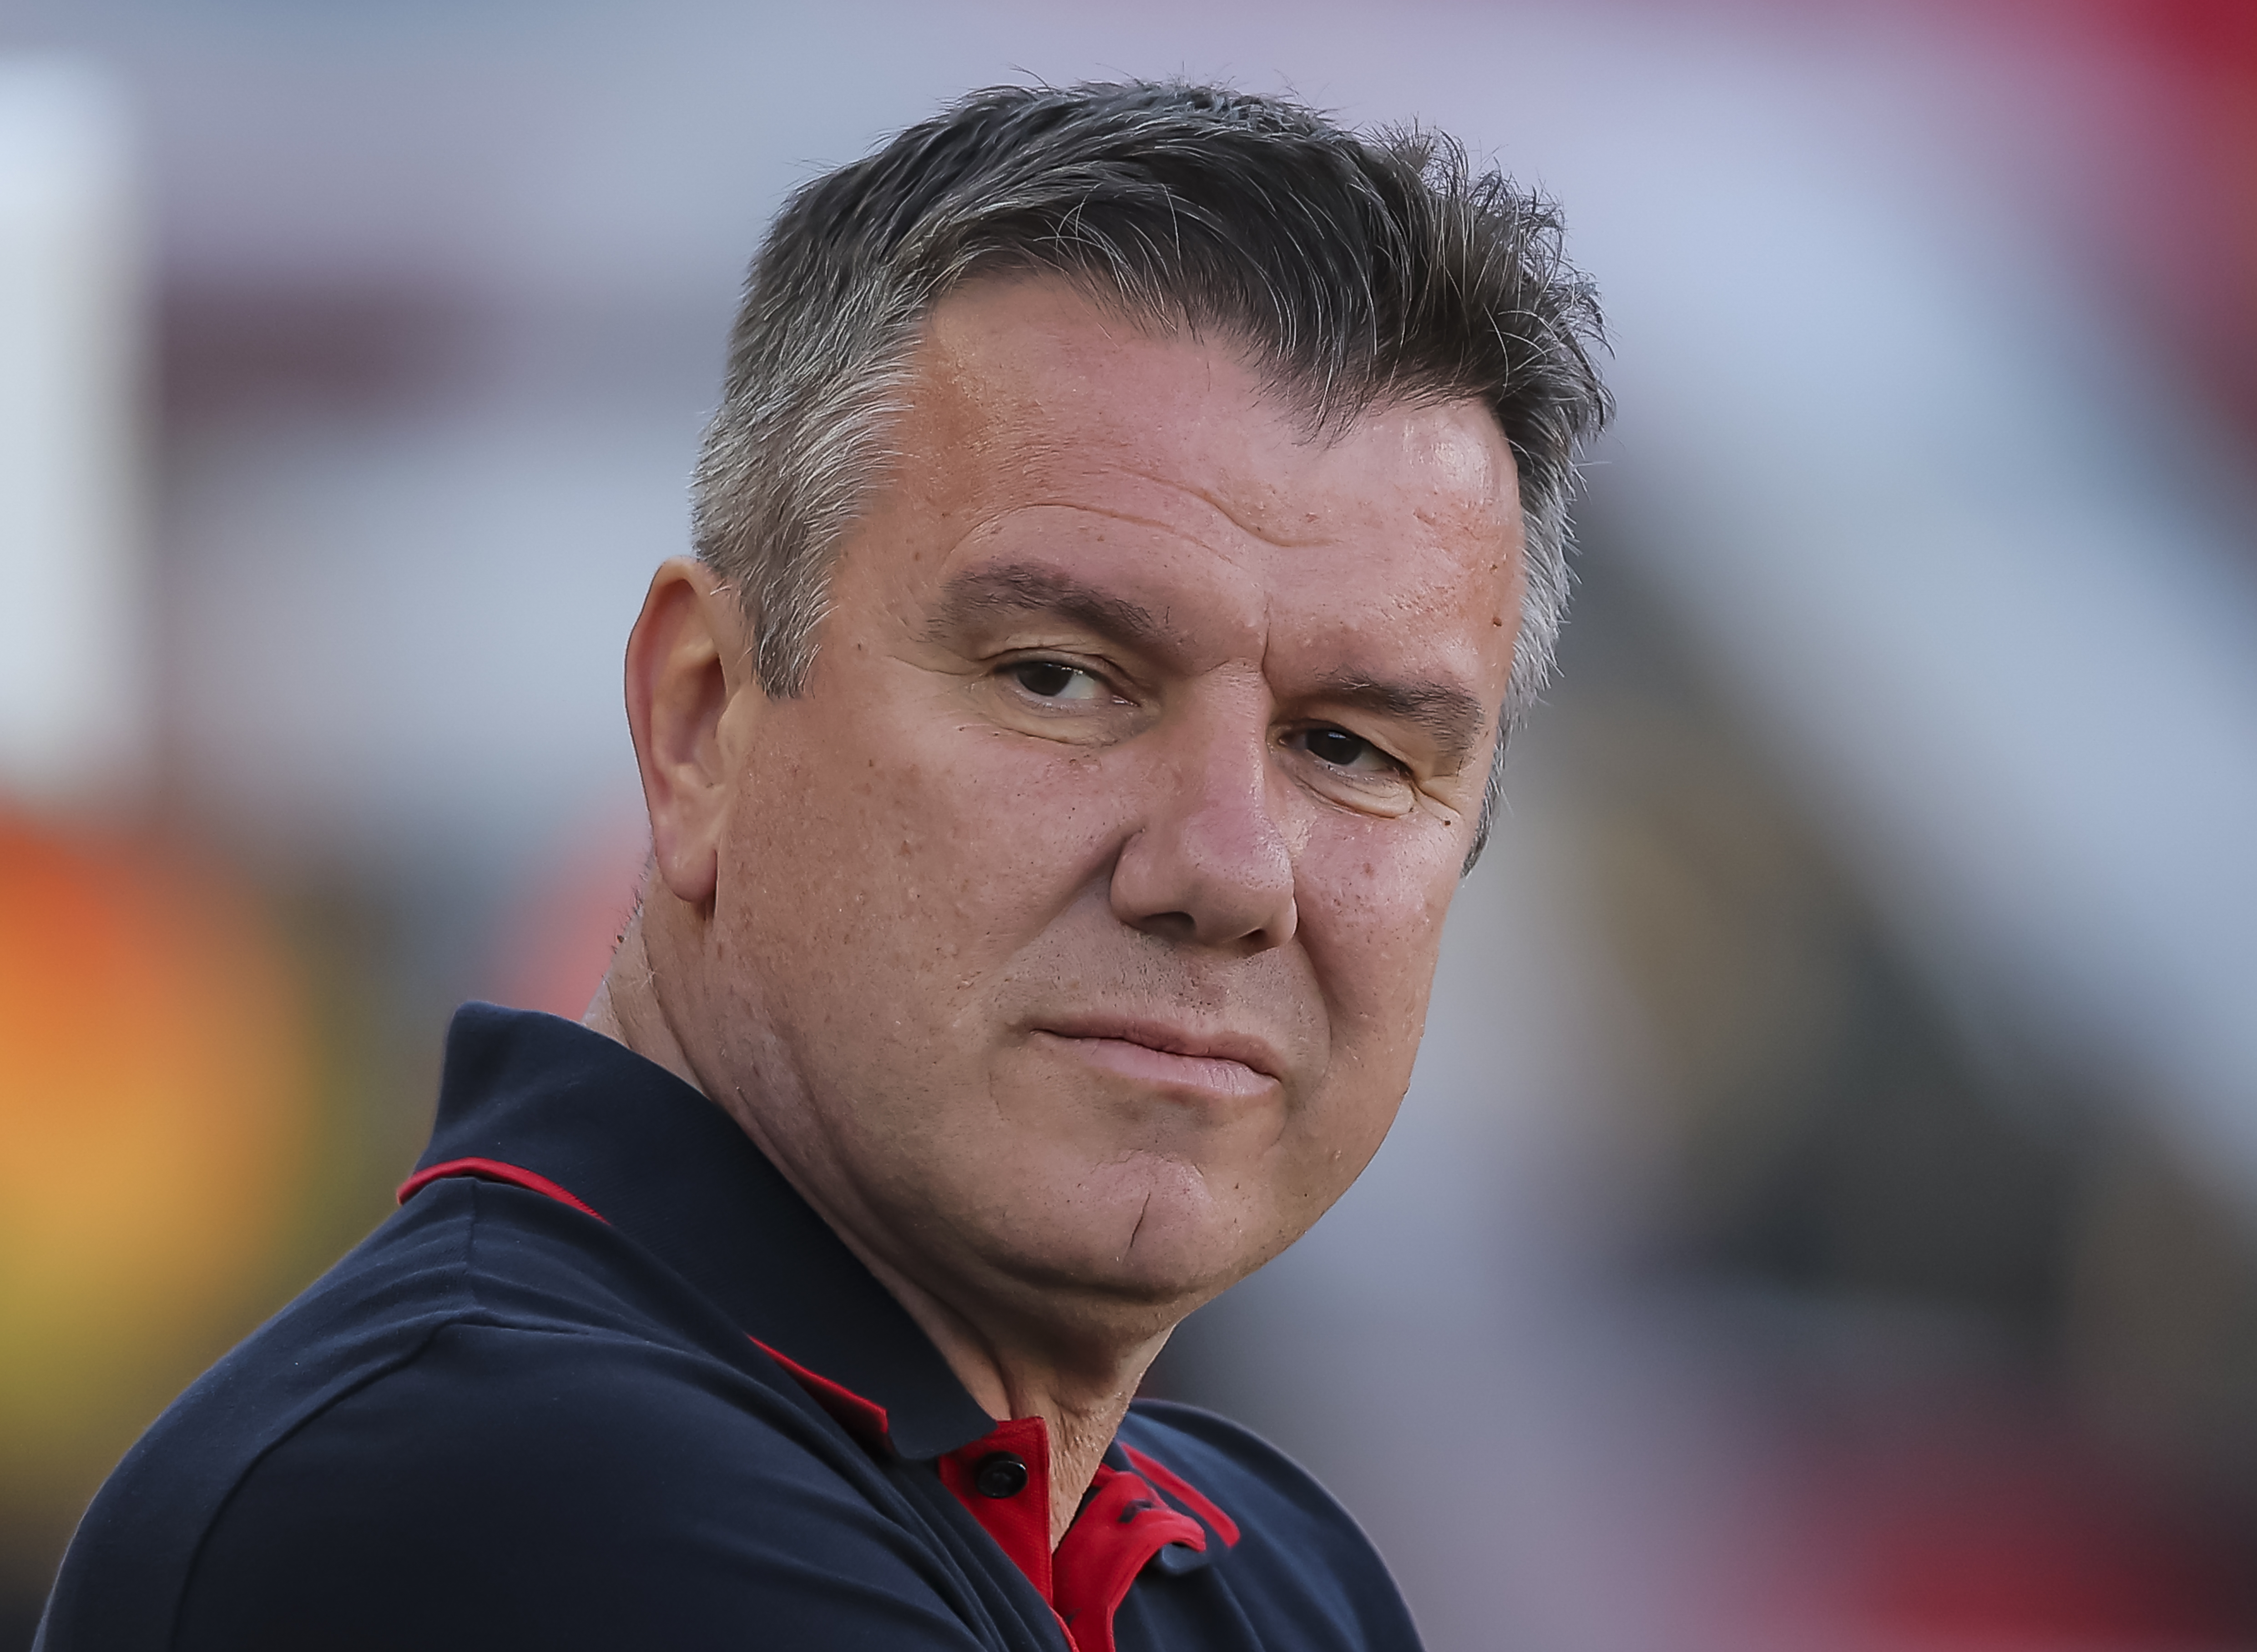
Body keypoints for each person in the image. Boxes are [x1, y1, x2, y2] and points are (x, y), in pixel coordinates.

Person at [37, 80, 1607, 1651]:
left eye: (1350, 748)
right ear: (701, 721)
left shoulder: (1255, 1569)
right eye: (1060, 677)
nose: (1225, 869)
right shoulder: (491, 1489)